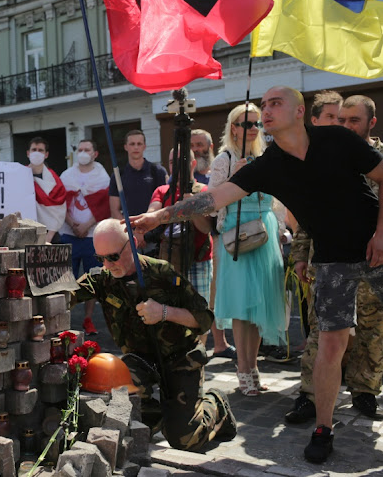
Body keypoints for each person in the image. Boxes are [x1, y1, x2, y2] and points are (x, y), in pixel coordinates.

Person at [130, 86, 383, 464]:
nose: (266, 110)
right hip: (331, 260)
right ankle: (324, 428)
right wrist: (159, 216)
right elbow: (212, 199)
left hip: (377, 247)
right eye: (264, 105)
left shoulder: (337, 139)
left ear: (300, 112)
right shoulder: (268, 165)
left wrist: (381, 232)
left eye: (275, 103)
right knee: (331, 345)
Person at [73, 219, 236, 451]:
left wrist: (164, 312)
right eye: (100, 259)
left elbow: (204, 318)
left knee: (184, 439)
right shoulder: (102, 279)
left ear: (132, 244)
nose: (107, 265)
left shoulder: (162, 273)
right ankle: (153, 416)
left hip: (180, 357)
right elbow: (65, 294)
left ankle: (216, 403)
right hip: (141, 361)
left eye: (113, 257)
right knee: (126, 404)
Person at [208, 104, 286, 397]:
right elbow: (213, 200)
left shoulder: (267, 156)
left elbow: (278, 198)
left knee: (258, 306)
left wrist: (281, 230)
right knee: (242, 306)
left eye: (256, 123)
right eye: (246, 123)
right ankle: (243, 369)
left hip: (265, 233)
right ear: (233, 128)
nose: (253, 127)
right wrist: (235, 180)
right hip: (238, 235)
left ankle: (252, 368)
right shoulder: (224, 159)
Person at [285, 90, 343, 423]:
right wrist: (300, 255)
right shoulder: (309, 159)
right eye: (332, 117)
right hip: (324, 263)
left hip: (366, 259)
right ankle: (310, 397)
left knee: (365, 333)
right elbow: (307, 218)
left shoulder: (364, 155)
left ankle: (362, 391)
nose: (338, 124)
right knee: (318, 335)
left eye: (343, 118)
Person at [185, 131, 236, 359]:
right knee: (209, 295)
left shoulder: (218, 171)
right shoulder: (186, 177)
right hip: (202, 242)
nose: (196, 148)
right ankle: (217, 343)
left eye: (200, 145)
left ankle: (221, 342)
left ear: (210, 146)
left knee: (218, 293)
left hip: (222, 237)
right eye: (193, 145)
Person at [148, 149, 213, 313]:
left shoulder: (205, 191)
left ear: (193, 164)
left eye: (181, 161)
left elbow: (206, 228)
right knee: (170, 312)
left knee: (199, 313)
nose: (176, 166)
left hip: (198, 261)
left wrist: (192, 206)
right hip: (169, 262)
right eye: (172, 162)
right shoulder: (162, 191)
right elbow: (151, 216)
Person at [59, 139, 110, 335]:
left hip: (92, 237)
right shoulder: (67, 175)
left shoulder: (102, 176)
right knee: (65, 280)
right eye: (79, 149)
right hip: (69, 235)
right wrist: (73, 224)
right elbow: (60, 203)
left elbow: (104, 205)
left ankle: (88, 319)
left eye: (86, 149)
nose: (82, 153)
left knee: (91, 280)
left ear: (94, 153)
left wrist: (87, 226)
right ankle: (64, 319)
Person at [109, 130, 168, 222]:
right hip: (128, 230)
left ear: (144, 147)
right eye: (132, 144)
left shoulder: (157, 171)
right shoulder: (118, 175)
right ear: (126, 147)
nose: (136, 147)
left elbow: (165, 204)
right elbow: (114, 210)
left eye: (139, 144)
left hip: (153, 228)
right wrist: (127, 230)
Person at [27, 137, 67, 243]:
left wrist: (48, 238)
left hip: (50, 236)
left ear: (46, 154)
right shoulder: (20, 176)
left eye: (40, 150)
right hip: (25, 233)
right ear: (28, 153)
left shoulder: (54, 181)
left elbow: (59, 211)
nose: (37, 153)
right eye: (34, 150)